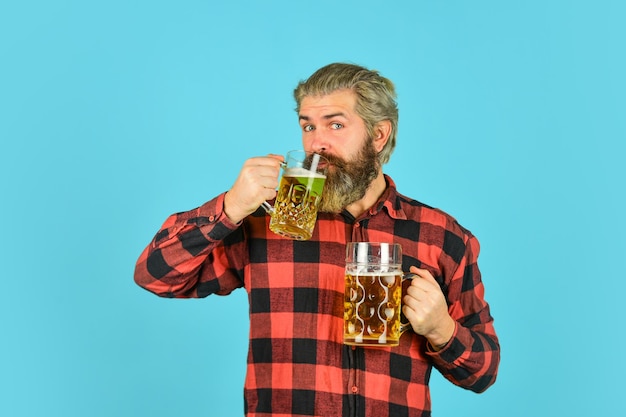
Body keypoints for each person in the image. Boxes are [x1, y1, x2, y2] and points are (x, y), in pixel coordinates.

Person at [134, 63, 500, 417]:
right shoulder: (267, 220)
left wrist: (441, 329)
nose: (317, 143)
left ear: (378, 135)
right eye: (308, 127)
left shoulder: (441, 235)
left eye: (335, 125)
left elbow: (483, 372)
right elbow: (155, 275)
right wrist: (229, 207)